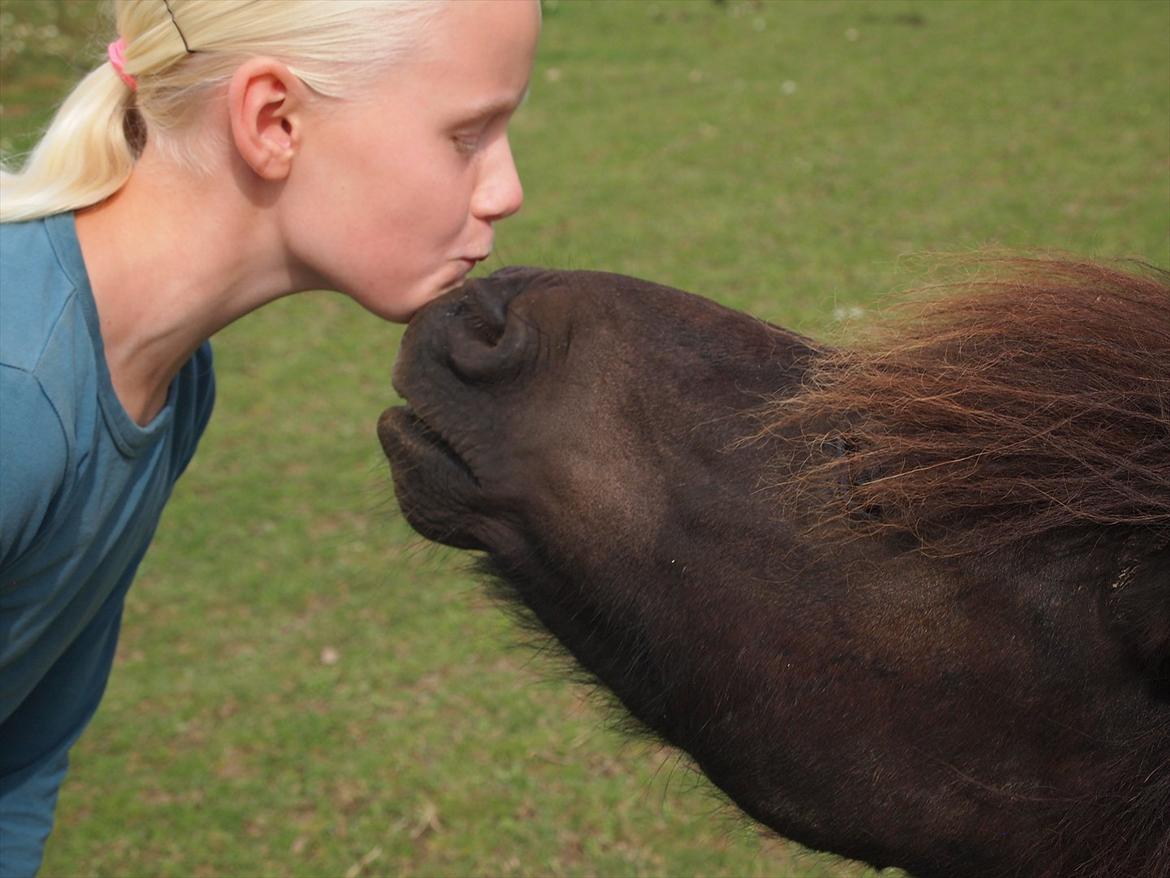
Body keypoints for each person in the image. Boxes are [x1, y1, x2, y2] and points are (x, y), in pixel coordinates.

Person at [0, 0, 541, 873]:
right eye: (466, 135)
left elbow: (22, 744)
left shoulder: (167, 381)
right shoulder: (17, 394)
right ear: (273, 120)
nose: (506, 189)